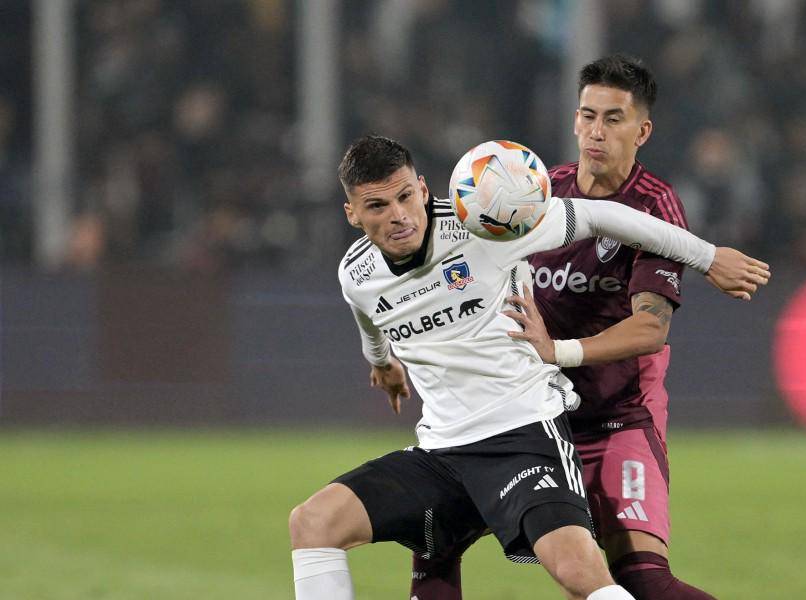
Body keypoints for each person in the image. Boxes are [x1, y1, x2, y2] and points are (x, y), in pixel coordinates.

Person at [288, 135, 770, 600]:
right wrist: (383, 364)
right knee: (311, 523)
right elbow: (370, 320)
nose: (398, 216)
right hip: (441, 454)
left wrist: (707, 257)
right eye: (377, 206)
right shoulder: (355, 274)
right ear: (352, 213)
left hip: (523, 439)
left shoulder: (484, 224)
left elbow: (602, 215)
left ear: (422, 187)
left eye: (405, 196)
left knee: (581, 577)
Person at [409, 54, 722, 600]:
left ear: (642, 130)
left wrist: (558, 350)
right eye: (587, 115)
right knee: (434, 544)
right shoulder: (531, 193)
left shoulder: (655, 208)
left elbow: (650, 330)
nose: (595, 131)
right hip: (522, 420)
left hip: (615, 420)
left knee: (642, 580)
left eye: (613, 118)